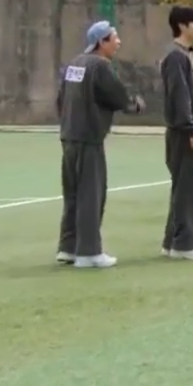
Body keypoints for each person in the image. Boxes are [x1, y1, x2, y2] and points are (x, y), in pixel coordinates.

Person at [56, 20, 145, 269]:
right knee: (91, 194)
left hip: (69, 136)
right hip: (89, 138)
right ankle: (89, 252)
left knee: (73, 194)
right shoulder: (100, 66)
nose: (118, 42)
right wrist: (135, 105)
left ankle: (68, 247)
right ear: (101, 42)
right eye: (114, 38)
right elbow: (118, 97)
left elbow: (61, 98)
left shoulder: (74, 63)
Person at [159, 6, 193, 260]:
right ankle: (185, 245)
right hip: (182, 133)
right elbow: (179, 96)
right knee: (191, 188)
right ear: (182, 25)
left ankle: (172, 242)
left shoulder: (184, 55)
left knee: (184, 188)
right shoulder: (175, 57)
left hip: (186, 129)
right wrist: (191, 129)